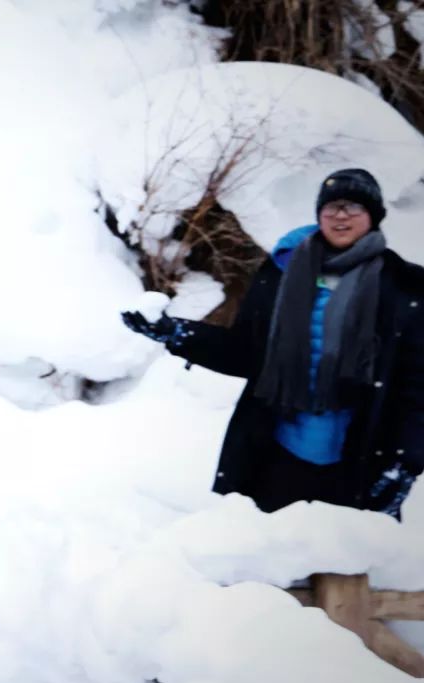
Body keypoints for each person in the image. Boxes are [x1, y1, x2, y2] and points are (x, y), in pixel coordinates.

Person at [121, 168, 424, 518]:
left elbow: (417, 387)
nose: (341, 215)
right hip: (277, 458)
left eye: (354, 206)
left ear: (374, 216)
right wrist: (175, 333)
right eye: (332, 206)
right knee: (263, 551)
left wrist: (405, 463)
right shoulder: (281, 273)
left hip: (358, 464)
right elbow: (246, 351)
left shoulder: (406, 287)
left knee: (343, 554)